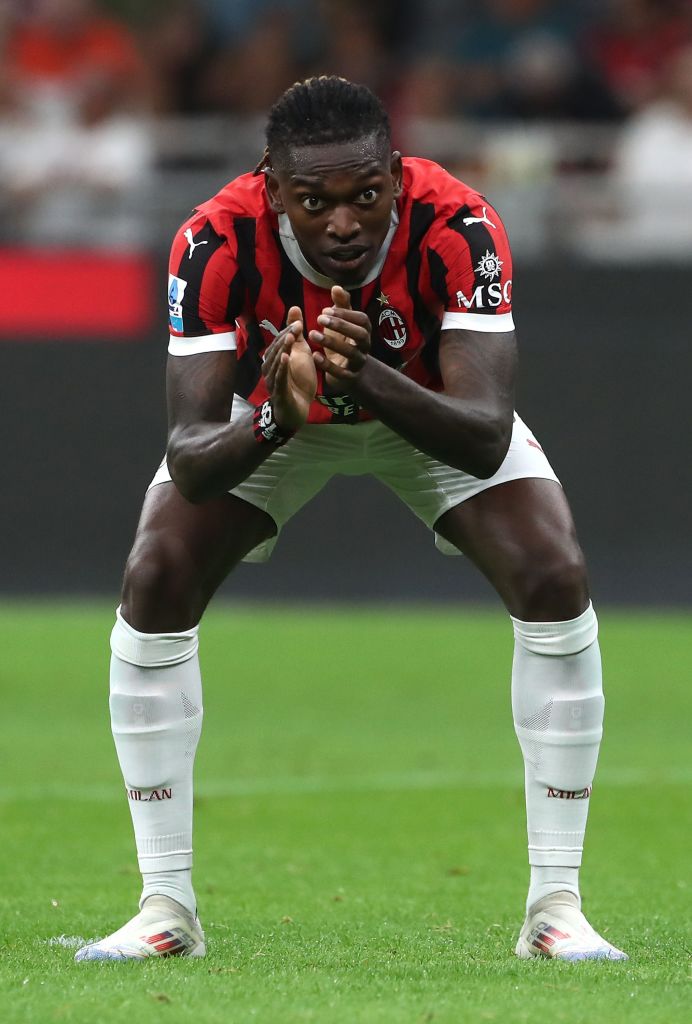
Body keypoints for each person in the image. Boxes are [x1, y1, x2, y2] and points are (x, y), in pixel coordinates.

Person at [75, 76, 627, 963]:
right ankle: (164, 909)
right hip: (280, 423)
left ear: (398, 179)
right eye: (315, 200)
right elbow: (189, 452)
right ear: (272, 186)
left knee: (554, 574)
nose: (343, 222)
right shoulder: (213, 240)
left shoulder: (462, 225)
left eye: (367, 196)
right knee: (155, 577)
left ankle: (555, 909)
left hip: (422, 413)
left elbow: (485, 438)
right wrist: (276, 414)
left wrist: (361, 376)